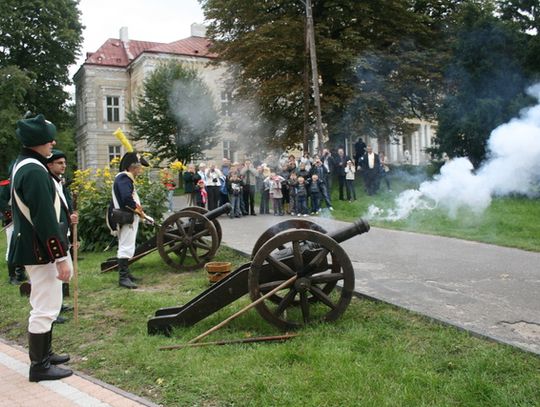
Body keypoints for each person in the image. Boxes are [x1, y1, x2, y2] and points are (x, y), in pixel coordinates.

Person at [8, 114, 73, 382]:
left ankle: (45, 354)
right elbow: (44, 219)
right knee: (45, 306)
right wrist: (60, 256)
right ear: (37, 142)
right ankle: (40, 365)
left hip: (35, 246)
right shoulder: (34, 170)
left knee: (47, 302)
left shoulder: (24, 164)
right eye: (48, 139)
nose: (53, 143)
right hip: (41, 249)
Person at [46, 149, 78, 323]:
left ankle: (57, 305)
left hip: (62, 229)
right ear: (49, 164)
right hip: (54, 232)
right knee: (54, 273)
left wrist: (70, 216)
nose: (63, 166)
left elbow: (64, 206)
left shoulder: (59, 183)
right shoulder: (48, 183)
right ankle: (52, 311)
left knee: (65, 272)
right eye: (59, 163)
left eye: (64, 163)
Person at [111, 151, 149, 289]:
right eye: (138, 168)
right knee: (125, 246)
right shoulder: (124, 178)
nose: (139, 171)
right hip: (125, 217)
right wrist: (138, 210)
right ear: (132, 168)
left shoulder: (125, 178)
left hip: (128, 216)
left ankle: (127, 274)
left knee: (127, 245)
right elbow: (127, 198)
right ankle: (123, 278)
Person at [0, 163, 27, 285]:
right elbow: (2, 202)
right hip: (11, 220)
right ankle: (12, 276)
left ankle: (20, 273)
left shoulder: (22, 183)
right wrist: (11, 216)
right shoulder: (6, 185)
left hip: (23, 218)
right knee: (12, 246)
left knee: (22, 245)